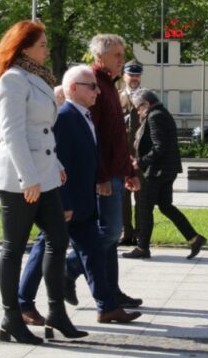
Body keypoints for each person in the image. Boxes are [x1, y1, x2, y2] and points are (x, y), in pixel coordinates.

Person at [17, 65, 141, 327]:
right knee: (42, 250)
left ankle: (107, 307)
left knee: (94, 253)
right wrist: (64, 201)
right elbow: (59, 163)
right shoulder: (64, 117)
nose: (98, 91)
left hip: (84, 203)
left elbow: (88, 157)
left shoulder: (83, 115)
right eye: (92, 87)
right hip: (67, 203)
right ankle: (23, 303)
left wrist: (101, 179)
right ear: (73, 89)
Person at [0, 20, 85, 344]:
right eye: (42, 44)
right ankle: (11, 316)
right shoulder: (13, 81)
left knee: (58, 240)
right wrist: (28, 177)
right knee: (13, 248)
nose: (47, 49)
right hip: (20, 177)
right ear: (24, 47)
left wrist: (54, 164)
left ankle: (56, 312)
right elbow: (13, 133)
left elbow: (42, 130)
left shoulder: (37, 79)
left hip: (43, 175)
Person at [64, 34, 142, 310]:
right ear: (100, 57)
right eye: (117, 55)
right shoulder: (93, 84)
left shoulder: (110, 84)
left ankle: (111, 292)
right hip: (104, 176)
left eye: (123, 54)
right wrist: (101, 176)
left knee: (110, 238)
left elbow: (115, 134)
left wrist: (128, 168)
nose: (122, 59)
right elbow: (91, 137)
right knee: (109, 233)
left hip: (117, 171)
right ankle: (68, 270)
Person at [121, 89, 207, 260]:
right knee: (166, 206)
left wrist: (141, 162)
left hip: (157, 172)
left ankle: (142, 248)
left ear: (147, 104)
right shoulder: (162, 113)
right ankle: (195, 238)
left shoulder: (155, 116)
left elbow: (159, 146)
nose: (138, 111)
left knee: (144, 208)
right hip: (167, 170)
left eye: (138, 107)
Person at [118, 60, 144, 245]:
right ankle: (125, 232)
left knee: (141, 196)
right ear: (124, 75)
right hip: (121, 154)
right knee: (122, 197)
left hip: (141, 154)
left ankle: (140, 233)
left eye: (137, 74)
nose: (134, 78)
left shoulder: (148, 97)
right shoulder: (116, 97)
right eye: (130, 74)